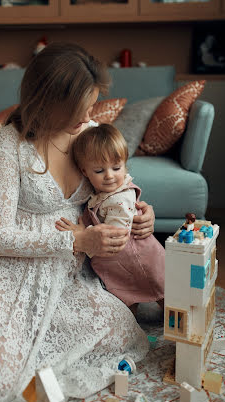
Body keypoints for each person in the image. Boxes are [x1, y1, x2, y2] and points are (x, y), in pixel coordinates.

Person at [0, 42, 155, 402]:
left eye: (91, 105)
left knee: (121, 333)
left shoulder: (90, 131)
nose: (88, 116)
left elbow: (117, 185)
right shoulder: (10, 144)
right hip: (6, 267)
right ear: (46, 100)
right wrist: (77, 242)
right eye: (79, 108)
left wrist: (141, 210)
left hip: (66, 272)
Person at [56, 124, 165, 314]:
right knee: (126, 298)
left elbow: (115, 235)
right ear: (84, 172)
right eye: (99, 171)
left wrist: (83, 234)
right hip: (122, 264)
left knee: (164, 293)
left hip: (139, 259)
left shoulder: (120, 198)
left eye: (116, 167)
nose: (109, 176)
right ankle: (132, 323)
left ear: (125, 164)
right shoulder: (102, 193)